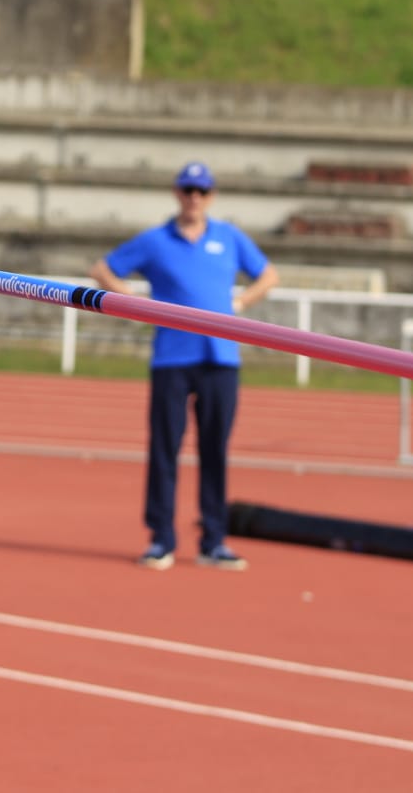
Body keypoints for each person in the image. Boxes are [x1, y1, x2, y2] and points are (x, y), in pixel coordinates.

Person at [90, 160, 279, 572]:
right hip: (173, 359)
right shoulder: (156, 240)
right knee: (164, 450)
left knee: (215, 452)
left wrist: (242, 303)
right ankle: (161, 538)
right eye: (188, 190)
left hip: (221, 358)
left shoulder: (228, 237)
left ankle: (213, 540)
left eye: (202, 191)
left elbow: (268, 274)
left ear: (211, 196)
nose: (194, 198)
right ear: (177, 193)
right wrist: (134, 304)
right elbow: (103, 269)